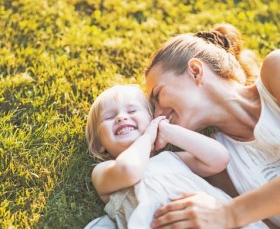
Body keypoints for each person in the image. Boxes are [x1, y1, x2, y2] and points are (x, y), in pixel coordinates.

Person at [144, 23, 280, 228]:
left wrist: (229, 213)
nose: (157, 114)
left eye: (158, 95)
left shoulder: (275, 70)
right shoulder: (217, 166)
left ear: (195, 71)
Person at [84, 84, 267, 229]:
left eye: (132, 111)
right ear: (100, 145)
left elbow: (219, 159)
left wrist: (169, 131)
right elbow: (130, 170)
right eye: (109, 117)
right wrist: (148, 137)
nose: (121, 118)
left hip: (213, 218)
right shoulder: (104, 171)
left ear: (151, 120)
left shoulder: (172, 159)